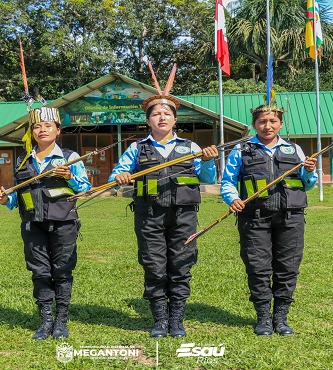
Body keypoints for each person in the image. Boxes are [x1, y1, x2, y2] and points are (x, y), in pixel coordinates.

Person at [109, 65, 218, 338]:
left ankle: (176, 320)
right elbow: (115, 175)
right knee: (154, 264)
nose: (161, 117)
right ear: (148, 120)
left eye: (166, 113)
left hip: (184, 214)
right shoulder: (137, 148)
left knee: (181, 263)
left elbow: (206, 177)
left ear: (174, 119)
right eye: (156, 114)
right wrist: (121, 176)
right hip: (149, 215)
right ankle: (159, 319)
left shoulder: (191, 147)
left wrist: (208, 160)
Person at [0, 107, 91, 340]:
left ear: (57, 130)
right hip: (32, 224)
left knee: (62, 271)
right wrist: (5, 198)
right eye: (37, 126)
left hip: (64, 223)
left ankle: (61, 322)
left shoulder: (69, 157)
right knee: (40, 272)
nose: (42, 129)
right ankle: (46, 320)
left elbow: (85, 188)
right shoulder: (23, 160)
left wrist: (70, 177)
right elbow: (17, 196)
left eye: (48, 126)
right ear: (32, 132)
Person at [220, 103, 318, 337]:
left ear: (281, 124)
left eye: (273, 121)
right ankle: (263, 317)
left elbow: (308, 184)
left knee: (288, 267)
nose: (268, 126)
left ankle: (281, 318)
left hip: (290, 218)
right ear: (254, 125)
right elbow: (227, 181)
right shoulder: (242, 150)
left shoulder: (295, 150)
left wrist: (309, 171)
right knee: (258, 267)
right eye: (262, 122)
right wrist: (232, 198)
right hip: (253, 218)